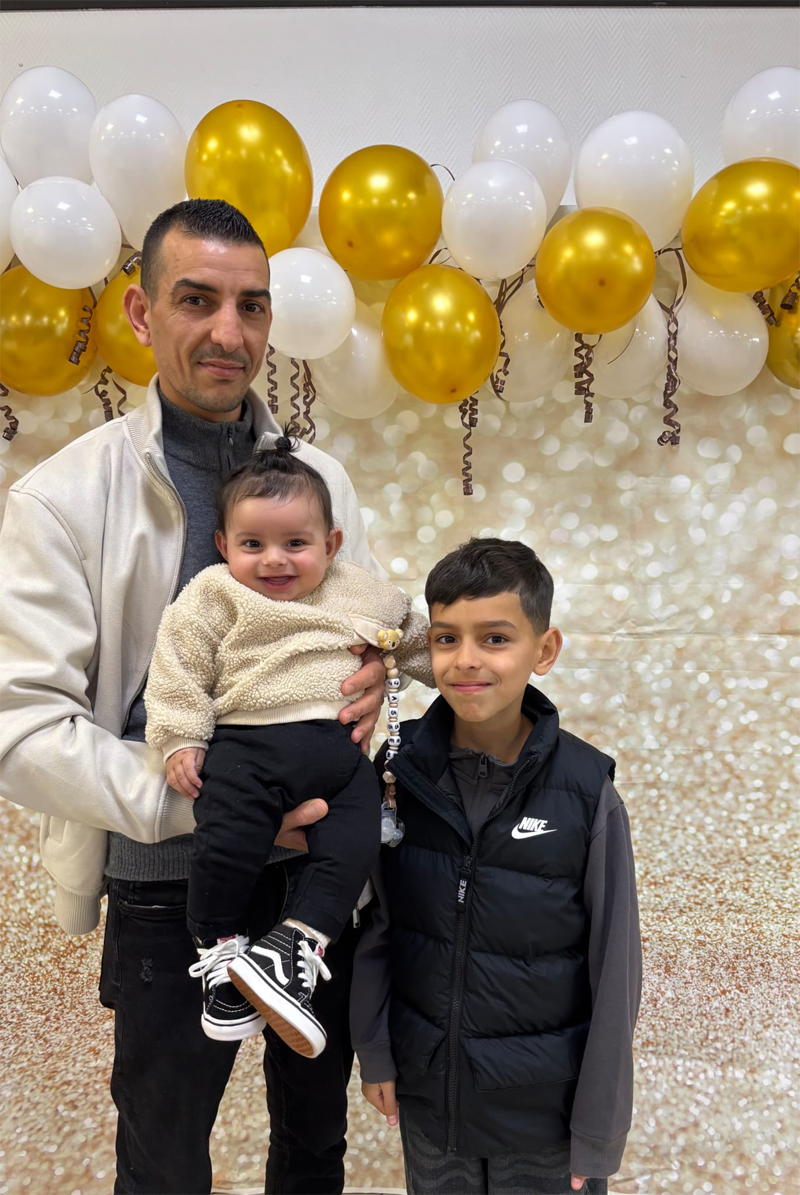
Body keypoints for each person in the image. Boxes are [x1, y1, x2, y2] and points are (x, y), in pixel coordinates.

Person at [0, 198, 391, 1195]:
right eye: (196, 300)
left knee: (316, 1149)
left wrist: (378, 680)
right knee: (165, 1160)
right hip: (169, 885)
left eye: (251, 305)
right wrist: (212, 810)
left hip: (315, 887)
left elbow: (367, 633)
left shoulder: (324, 481)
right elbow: (23, 729)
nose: (229, 330)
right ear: (141, 313)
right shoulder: (63, 498)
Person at [351, 537, 642, 1195]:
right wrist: (375, 1048)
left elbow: (616, 968)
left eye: (495, 638)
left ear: (544, 650)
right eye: (446, 638)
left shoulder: (586, 792)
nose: (466, 659)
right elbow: (377, 922)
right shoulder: (397, 773)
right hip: (431, 1101)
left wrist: (598, 1128)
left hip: (545, 1117)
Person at [143, 437, 432, 1055]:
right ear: (224, 546)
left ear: (332, 544)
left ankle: (295, 943)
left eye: (295, 543)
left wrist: (463, 666)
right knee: (225, 840)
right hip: (246, 749)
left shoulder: (362, 591)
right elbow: (178, 665)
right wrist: (180, 737)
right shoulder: (213, 593)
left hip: (339, 757)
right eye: (252, 544)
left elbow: (414, 640)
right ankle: (220, 950)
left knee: (354, 846)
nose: (274, 560)